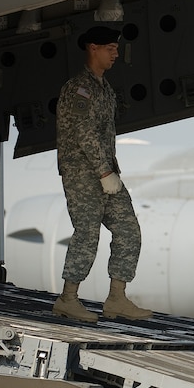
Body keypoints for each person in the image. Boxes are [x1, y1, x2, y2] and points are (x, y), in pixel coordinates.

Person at [52, 25, 152, 323]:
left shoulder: (104, 88)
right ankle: (68, 299)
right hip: (84, 173)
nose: (115, 52)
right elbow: (84, 133)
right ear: (92, 48)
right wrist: (104, 171)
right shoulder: (78, 88)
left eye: (117, 47)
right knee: (87, 233)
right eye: (110, 47)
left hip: (106, 173)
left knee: (128, 230)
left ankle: (117, 299)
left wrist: (110, 172)